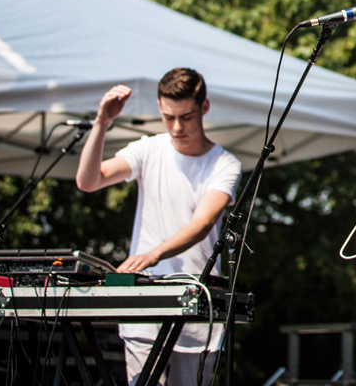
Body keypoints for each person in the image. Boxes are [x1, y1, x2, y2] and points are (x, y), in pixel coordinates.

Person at [76, 68, 242, 386]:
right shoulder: (147, 149)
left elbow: (203, 223)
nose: (177, 127)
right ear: (159, 109)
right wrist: (102, 123)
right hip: (143, 304)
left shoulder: (225, 163)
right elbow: (88, 180)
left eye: (186, 117)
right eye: (168, 117)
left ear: (204, 107)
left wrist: (153, 254)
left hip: (197, 308)